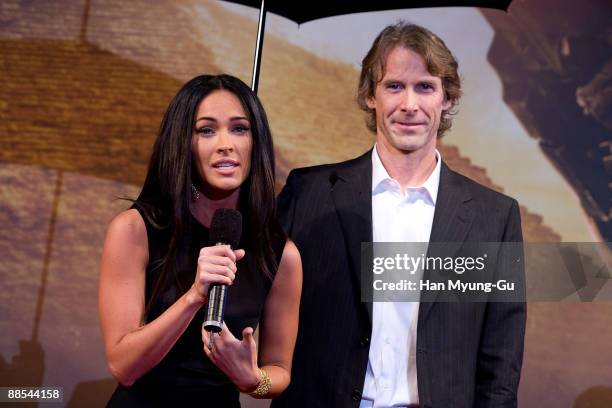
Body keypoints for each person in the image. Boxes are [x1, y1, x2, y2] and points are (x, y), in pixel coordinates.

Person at [272, 22, 525, 408]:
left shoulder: (494, 218)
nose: (410, 105)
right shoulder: (309, 193)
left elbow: (500, 362)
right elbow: (254, 301)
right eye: (394, 86)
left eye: (425, 87)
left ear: (447, 99)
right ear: (370, 96)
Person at [98, 74, 302, 407]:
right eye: (206, 130)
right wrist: (195, 295)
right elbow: (123, 366)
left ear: (257, 141)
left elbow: (279, 370)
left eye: (239, 128)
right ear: (183, 142)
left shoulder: (280, 253)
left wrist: (252, 380)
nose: (226, 143)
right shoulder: (136, 229)